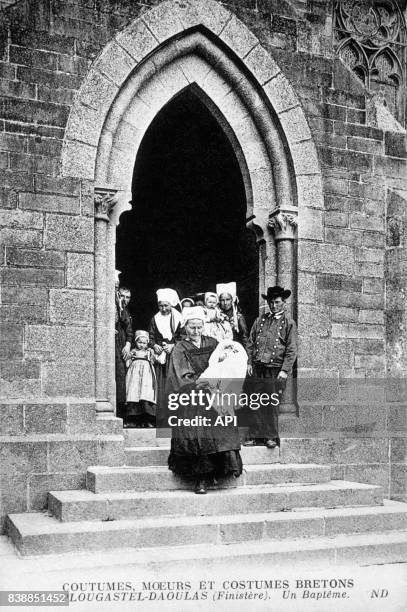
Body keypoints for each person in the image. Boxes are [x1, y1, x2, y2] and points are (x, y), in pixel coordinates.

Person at [166, 306, 243, 494]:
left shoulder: (212, 342)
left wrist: (225, 360)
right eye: (192, 327)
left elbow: (221, 362)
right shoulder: (180, 348)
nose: (196, 331)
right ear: (185, 327)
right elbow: (181, 374)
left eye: (199, 327)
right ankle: (201, 478)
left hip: (214, 391)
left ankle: (222, 469)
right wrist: (199, 384)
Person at [245, 286, 297, 448]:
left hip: (274, 369)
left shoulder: (289, 323)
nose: (273, 306)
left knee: (271, 403)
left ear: (283, 303)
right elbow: (250, 343)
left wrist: (284, 370)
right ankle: (254, 435)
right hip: (258, 367)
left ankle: (271, 437)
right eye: (271, 302)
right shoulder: (260, 320)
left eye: (277, 302)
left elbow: (291, 349)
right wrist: (249, 362)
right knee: (254, 401)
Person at [149, 288, 183, 420]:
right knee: (160, 385)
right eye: (160, 305)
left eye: (166, 305)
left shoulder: (179, 318)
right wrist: (154, 345)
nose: (163, 309)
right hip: (160, 357)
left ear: (171, 304)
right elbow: (150, 336)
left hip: (175, 355)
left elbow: (183, 336)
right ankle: (161, 417)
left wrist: (173, 345)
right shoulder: (155, 319)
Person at [125, 330, 157, 428]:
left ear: (147, 343)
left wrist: (152, 355)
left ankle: (147, 420)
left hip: (146, 374)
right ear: (136, 342)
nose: (142, 345)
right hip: (135, 374)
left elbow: (154, 361)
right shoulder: (134, 352)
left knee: (145, 394)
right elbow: (127, 363)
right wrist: (129, 356)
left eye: (144, 343)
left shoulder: (149, 352)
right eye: (139, 342)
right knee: (134, 393)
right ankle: (133, 421)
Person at [115, 278, 133, 421]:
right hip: (114, 344)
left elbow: (129, 330)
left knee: (122, 377)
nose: (125, 299)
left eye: (128, 297)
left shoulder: (125, 311)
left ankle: (122, 414)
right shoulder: (116, 309)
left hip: (122, 345)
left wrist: (127, 344)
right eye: (122, 296)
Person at [217, 282, 249, 351]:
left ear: (232, 300)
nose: (225, 303)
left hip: (235, 350)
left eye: (228, 299)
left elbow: (244, 337)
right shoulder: (217, 317)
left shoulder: (238, 317)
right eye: (222, 300)